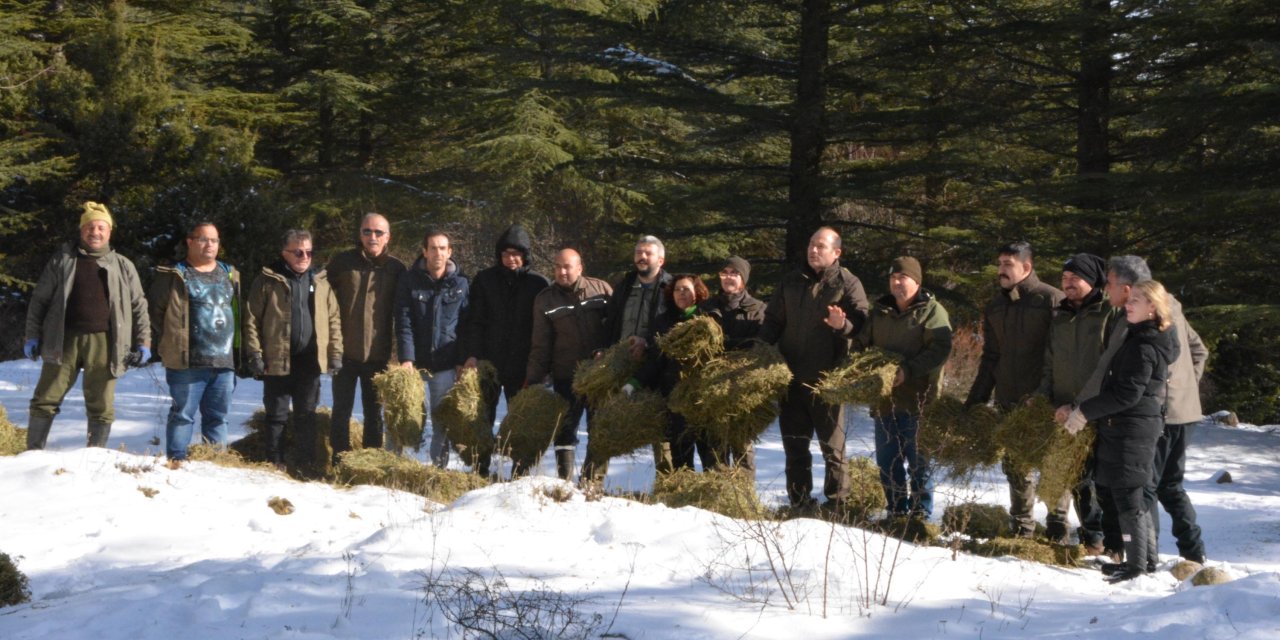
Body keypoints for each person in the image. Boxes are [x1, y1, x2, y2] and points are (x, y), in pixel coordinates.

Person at [1069, 255, 1208, 564]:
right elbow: (1199, 350)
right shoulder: (1169, 307)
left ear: (1129, 288)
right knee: (1170, 486)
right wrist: (1185, 389)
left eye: (1110, 283)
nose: (1106, 289)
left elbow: (1107, 370)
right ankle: (1193, 554)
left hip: (1153, 416)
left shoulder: (1135, 319)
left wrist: (1079, 408)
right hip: (1183, 413)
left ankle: (1145, 558)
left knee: (1141, 491)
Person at [1062, 280, 1180, 583]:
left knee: (1127, 497)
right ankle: (1146, 560)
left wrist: (1084, 412)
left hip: (1133, 428)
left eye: (1137, 300)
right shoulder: (1140, 336)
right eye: (1130, 299)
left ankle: (1137, 564)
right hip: (1127, 426)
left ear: (1152, 307)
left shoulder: (1144, 345)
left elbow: (1127, 394)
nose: (1128, 304)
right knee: (1130, 496)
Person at [23, 201, 150, 450]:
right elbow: (40, 300)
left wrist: (144, 342)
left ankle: (96, 457)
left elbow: (139, 306)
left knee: (101, 405)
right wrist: (32, 335)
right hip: (63, 340)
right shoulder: (62, 261)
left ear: (109, 232)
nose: (95, 232)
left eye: (101, 228)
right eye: (90, 227)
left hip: (106, 342)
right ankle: (33, 454)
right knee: (45, 399)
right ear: (82, 231)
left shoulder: (123, 266)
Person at [760, 227, 869, 511]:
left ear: (836, 253)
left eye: (821, 246)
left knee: (833, 450)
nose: (814, 250)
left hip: (827, 381)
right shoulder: (791, 281)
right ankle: (799, 503)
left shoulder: (847, 283)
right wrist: (758, 351)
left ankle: (838, 505)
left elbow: (862, 323)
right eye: (811, 244)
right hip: (792, 379)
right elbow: (772, 321)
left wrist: (842, 325)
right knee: (795, 447)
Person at [965, 241, 1064, 537]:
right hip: (1008, 397)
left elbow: (1061, 353)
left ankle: (1058, 524)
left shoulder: (1051, 300)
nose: (1001, 270)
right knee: (1015, 465)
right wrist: (976, 399)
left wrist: (1049, 394)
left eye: (1008, 264)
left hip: (1045, 400)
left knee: (1051, 463)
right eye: (999, 264)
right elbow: (991, 357)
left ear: (1026, 267)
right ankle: (1022, 526)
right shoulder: (996, 305)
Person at [854, 257, 952, 518]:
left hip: (919, 402)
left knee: (920, 464)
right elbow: (861, 346)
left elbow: (940, 349)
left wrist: (907, 371)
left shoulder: (932, 311)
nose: (896, 282)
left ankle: (921, 516)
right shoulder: (880, 312)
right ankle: (896, 513)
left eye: (902, 278)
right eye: (893, 277)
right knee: (888, 463)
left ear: (917, 282)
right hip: (885, 402)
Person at [243, 229, 342, 469]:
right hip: (277, 359)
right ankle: (274, 462)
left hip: (310, 361)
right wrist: (255, 353)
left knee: (307, 416)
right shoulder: (267, 281)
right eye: (298, 252)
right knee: (276, 416)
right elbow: (251, 319)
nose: (304, 257)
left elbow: (333, 319)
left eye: (309, 252)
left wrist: (336, 353)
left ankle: (305, 465)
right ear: (284, 252)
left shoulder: (320, 282)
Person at [1037, 253, 1114, 550]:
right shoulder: (1061, 315)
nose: (1067, 283)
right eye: (1064, 278)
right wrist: (1043, 395)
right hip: (1064, 411)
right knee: (1078, 477)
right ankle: (1092, 536)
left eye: (1075, 278)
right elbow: (1049, 363)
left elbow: (1112, 363)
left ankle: (1111, 537)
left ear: (1092, 280)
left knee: (1101, 479)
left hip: (1100, 408)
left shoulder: (1108, 312)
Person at [461, 224, 550, 477]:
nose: (511, 259)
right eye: (506, 253)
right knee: (482, 419)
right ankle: (480, 469)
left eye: (516, 253)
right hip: (489, 363)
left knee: (521, 421)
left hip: (523, 366)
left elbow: (544, 330)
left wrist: (542, 367)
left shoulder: (538, 283)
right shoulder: (484, 280)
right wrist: (473, 355)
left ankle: (519, 473)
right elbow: (475, 321)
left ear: (525, 255)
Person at [149, 222, 241, 461]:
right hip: (187, 362)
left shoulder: (229, 273)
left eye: (215, 240)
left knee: (218, 418)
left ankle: (215, 464)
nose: (210, 245)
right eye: (204, 239)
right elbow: (157, 312)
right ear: (190, 242)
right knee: (183, 415)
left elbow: (238, 313)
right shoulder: (174, 274)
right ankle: (176, 463)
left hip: (224, 362)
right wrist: (173, 339)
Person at [526, 248, 612, 480]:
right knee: (565, 430)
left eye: (567, 266)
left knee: (600, 429)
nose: (562, 271)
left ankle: (593, 482)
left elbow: (615, 328)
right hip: (566, 375)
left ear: (580, 268)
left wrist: (609, 355)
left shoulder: (601, 290)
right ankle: (564, 481)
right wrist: (533, 379)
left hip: (599, 376)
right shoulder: (545, 299)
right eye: (557, 267)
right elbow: (540, 344)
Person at [326, 213, 406, 457]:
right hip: (344, 352)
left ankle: (370, 462)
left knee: (374, 413)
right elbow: (322, 301)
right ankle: (339, 460)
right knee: (341, 411)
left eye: (378, 232)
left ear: (388, 237)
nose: (373, 237)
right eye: (367, 231)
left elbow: (405, 315)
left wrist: (401, 355)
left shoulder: (396, 269)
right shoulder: (342, 263)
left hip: (378, 354)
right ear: (360, 234)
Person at [394, 229, 468, 466]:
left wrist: (462, 359)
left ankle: (438, 468)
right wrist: (406, 358)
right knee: (404, 415)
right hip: (415, 363)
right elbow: (403, 321)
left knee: (441, 420)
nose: (438, 253)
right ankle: (393, 465)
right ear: (425, 251)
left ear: (450, 252)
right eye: (433, 248)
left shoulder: (462, 283)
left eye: (442, 248)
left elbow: (467, 324)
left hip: (446, 363)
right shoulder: (409, 280)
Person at [628, 274, 713, 472]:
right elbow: (655, 359)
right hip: (675, 396)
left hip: (703, 396)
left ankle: (711, 498)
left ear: (697, 292)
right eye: (677, 289)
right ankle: (684, 495)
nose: (681, 293)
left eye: (686, 289)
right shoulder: (663, 322)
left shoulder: (708, 318)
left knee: (709, 451)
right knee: (681, 452)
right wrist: (634, 382)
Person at [603, 235, 674, 470]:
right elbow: (610, 322)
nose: (642, 257)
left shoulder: (671, 289)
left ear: (660, 260)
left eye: (648, 253)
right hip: (620, 363)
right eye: (638, 252)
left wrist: (649, 345)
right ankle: (592, 482)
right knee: (604, 420)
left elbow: (674, 329)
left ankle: (667, 483)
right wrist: (603, 349)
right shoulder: (624, 285)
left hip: (655, 365)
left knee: (661, 428)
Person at [700, 256, 767, 469]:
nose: (728, 277)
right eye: (725, 273)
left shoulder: (758, 309)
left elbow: (762, 344)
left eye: (734, 273)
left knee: (742, 441)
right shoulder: (706, 308)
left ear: (744, 278)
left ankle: (742, 493)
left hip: (743, 385)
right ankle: (716, 493)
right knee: (715, 443)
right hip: (712, 384)